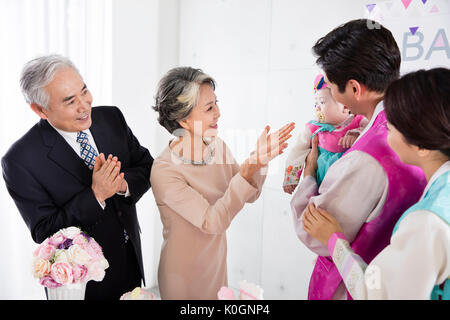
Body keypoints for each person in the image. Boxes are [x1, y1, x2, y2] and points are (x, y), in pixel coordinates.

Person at [290, 19, 427, 300]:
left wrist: (308, 175)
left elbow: (313, 230)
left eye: (330, 87)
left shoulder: (367, 158)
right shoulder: (418, 122)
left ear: (354, 89)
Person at [1, 54, 153, 300]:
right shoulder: (20, 160)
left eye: (84, 91)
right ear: (40, 109)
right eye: (71, 101)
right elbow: (44, 230)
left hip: (131, 261)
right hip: (80, 285)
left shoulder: (111, 118)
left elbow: (146, 166)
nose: (85, 105)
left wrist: (122, 184)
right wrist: (96, 195)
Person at [303, 68, 450, 300]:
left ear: (422, 145)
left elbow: (374, 292)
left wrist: (334, 240)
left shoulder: (426, 222)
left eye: (391, 127)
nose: (384, 133)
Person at [150, 66, 294, 299]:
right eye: (209, 108)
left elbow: (250, 193)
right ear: (184, 120)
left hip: (215, 266)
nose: (218, 113)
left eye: (216, 103)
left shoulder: (217, 148)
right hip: (182, 274)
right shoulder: (164, 171)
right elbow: (212, 222)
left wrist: (259, 161)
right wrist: (250, 167)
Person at [283, 74, 368, 193]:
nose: (317, 108)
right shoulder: (314, 127)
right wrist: (290, 178)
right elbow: (297, 150)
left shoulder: (358, 120)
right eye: (316, 103)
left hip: (350, 186)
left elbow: (371, 132)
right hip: (322, 186)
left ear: (344, 106)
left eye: (322, 102)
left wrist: (356, 134)